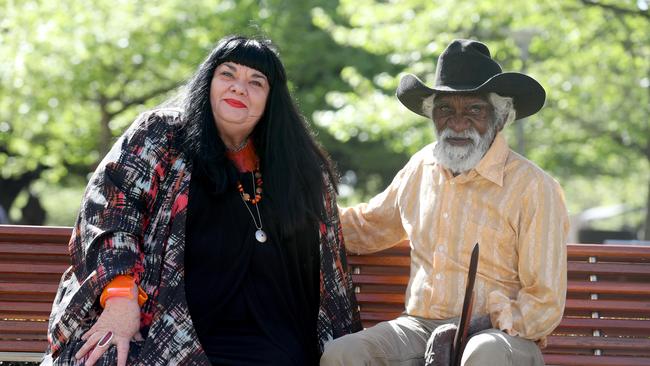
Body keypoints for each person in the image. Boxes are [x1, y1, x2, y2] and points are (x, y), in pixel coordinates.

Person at [42, 35, 361, 366]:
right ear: (208, 81)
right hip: (166, 331)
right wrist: (120, 297)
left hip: (273, 339)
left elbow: (328, 266)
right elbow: (109, 211)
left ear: (271, 100)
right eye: (228, 74)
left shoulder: (297, 167)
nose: (239, 88)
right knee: (110, 356)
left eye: (256, 82)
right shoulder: (162, 136)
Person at [320, 39, 569, 366]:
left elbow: (544, 302)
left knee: (482, 354)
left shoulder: (534, 187)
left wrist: (480, 326)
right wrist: (295, 209)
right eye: (444, 109)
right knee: (342, 354)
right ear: (432, 115)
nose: (458, 122)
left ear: (500, 116)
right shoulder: (420, 168)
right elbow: (365, 228)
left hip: (502, 337)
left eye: (474, 109)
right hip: (419, 328)